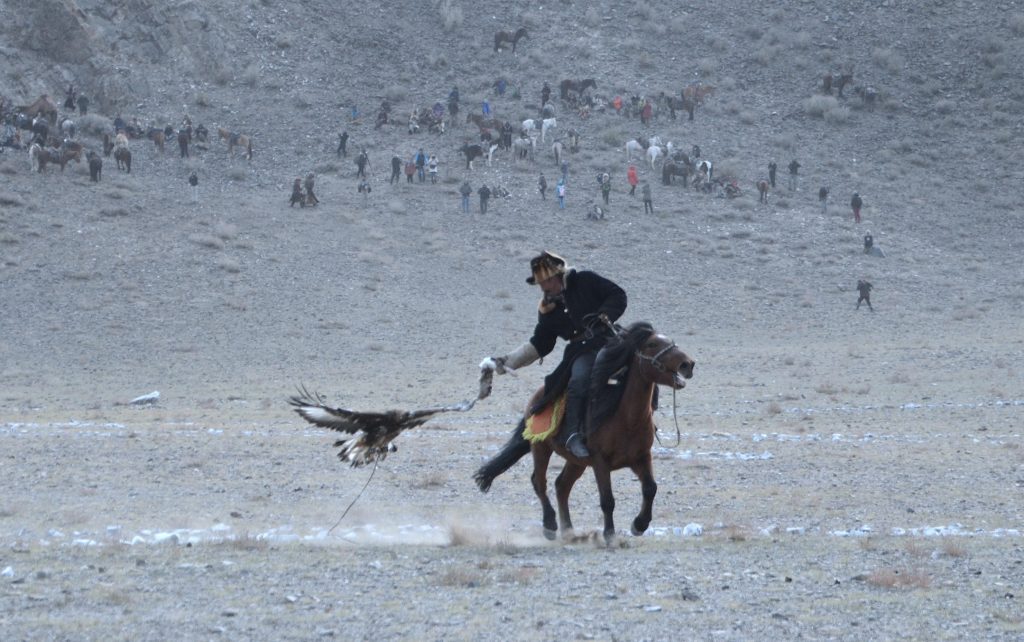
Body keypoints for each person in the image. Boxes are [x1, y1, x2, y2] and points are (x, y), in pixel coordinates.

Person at [485, 251, 628, 458]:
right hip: (582, 351)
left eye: (545, 281)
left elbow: (618, 295)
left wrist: (604, 315)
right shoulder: (548, 311)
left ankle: (648, 418)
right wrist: (507, 362)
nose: (542, 287)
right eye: (540, 283)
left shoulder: (586, 280)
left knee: (643, 362)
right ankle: (572, 435)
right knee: (578, 380)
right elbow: (540, 343)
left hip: (610, 340)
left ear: (556, 276)